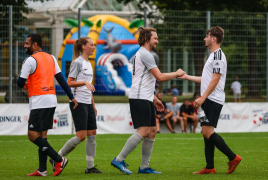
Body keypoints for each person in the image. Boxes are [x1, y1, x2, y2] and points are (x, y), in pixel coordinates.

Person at [111, 27, 185, 174]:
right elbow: (160, 77)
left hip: (145, 97)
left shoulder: (144, 54)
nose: (157, 41)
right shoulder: (145, 54)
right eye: (155, 38)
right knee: (144, 130)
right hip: (139, 98)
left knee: (151, 132)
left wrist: (154, 98)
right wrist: (177, 73)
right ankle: (119, 159)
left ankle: (144, 167)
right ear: (146, 39)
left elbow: (142, 80)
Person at [178, 26, 241, 174]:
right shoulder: (212, 56)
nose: (204, 39)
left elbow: (216, 80)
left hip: (213, 99)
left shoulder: (218, 56)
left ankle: (233, 157)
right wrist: (187, 77)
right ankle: (209, 167)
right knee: (206, 132)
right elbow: (206, 79)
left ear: (213, 38)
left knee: (207, 132)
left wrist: (203, 98)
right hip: (208, 99)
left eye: (207, 36)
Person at [17, 34, 78, 176]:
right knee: (42, 136)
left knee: (32, 135)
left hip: (39, 100)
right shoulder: (51, 57)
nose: (25, 45)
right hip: (51, 99)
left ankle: (59, 159)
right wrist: (71, 97)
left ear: (35, 45)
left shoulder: (30, 60)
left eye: (27, 43)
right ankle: (42, 169)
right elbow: (61, 79)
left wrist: (24, 83)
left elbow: (20, 82)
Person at [49, 37, 104, 174]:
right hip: (78, 103)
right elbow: (69, 82)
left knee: (92, 134)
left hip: (88, 103)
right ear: (84, 47)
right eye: (92, 45)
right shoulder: (77, 63)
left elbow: (89, 87)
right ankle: (57, 157)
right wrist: (84, 83)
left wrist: (93, 104)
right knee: (81, 136)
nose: (94, 47)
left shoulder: (88, 63)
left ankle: (90, 167)